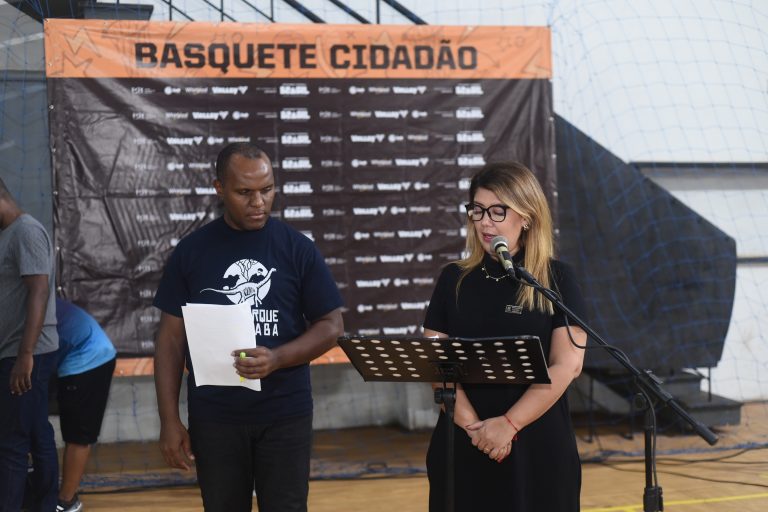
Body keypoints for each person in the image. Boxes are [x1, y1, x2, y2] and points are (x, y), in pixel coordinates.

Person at [153, 142, 344, 512]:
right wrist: (169, 420)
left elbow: (332, 325)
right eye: (244, 192)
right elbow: (170, 340)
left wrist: (277, 358)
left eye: (267, 189)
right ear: (219, 188)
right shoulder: (191, 252)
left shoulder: (297, 248)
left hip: (285, 413)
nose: (259, 202)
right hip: (215, 417)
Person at [422, 162, 588, 511]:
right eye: (478, 210)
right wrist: (478, 431)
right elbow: (436, 365)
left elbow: (567, 365)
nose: (485, 222)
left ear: (526, 216)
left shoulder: (556, 279)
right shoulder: (453, 279)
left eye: (498, 211)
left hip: (538, 445)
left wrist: (510, 424)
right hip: (465, 441)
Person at [0, 177, 59, 512]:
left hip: (26, 354)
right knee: (36, 433)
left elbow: (39, 289)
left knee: (12, 442)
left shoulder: (26, 231)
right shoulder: (7, 234)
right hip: (14, 351)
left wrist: (25, 355)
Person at [53, 297, 118, 512]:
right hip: (69, 356)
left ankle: (66, 501)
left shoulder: (30, 298)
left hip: (89, 359)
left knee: (78, 435)